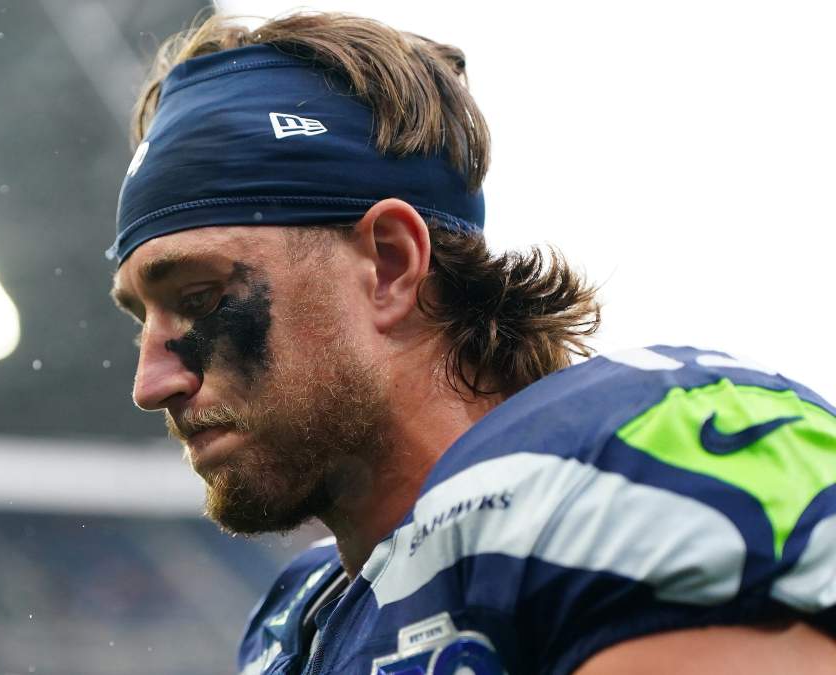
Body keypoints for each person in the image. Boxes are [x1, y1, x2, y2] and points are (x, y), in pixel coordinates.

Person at [105, 12, 836, 675]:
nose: (149, 384)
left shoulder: (650, 469)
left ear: (389, 265)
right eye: (144, 320)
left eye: (199, 300)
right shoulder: (294, 619)